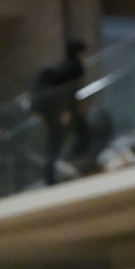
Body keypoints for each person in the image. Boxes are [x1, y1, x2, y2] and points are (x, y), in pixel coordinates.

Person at [32, 40, 88, 185]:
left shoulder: (61, 69)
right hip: (59, 111)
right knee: (57, 142)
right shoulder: (73, 69)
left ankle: (53, 174)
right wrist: (67, 111)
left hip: (52, 110)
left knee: (58, 141)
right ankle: (54, 174)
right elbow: (69, 91)